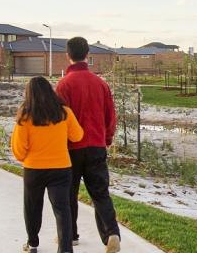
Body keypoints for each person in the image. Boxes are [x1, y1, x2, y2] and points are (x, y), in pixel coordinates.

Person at [54, 37, 120, 252]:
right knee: (100, 193)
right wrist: (106, 139)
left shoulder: (64, 85)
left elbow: (59, 119)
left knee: (68, 193)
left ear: (67, 55)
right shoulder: (101, 84)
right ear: (88, 54)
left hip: (72, 149)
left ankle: (70, 235)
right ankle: (111, 233)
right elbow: (111, 116)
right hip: (96, 145)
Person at [12, 76, 83, 253]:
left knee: (32, 208)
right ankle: (65, 249)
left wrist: (28, 158)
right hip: (61, 168)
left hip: (34, 169)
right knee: (62, 209)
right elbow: (77, 136)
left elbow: (19, 150)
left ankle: (33, 243)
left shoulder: (25, 115)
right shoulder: (64, 112)